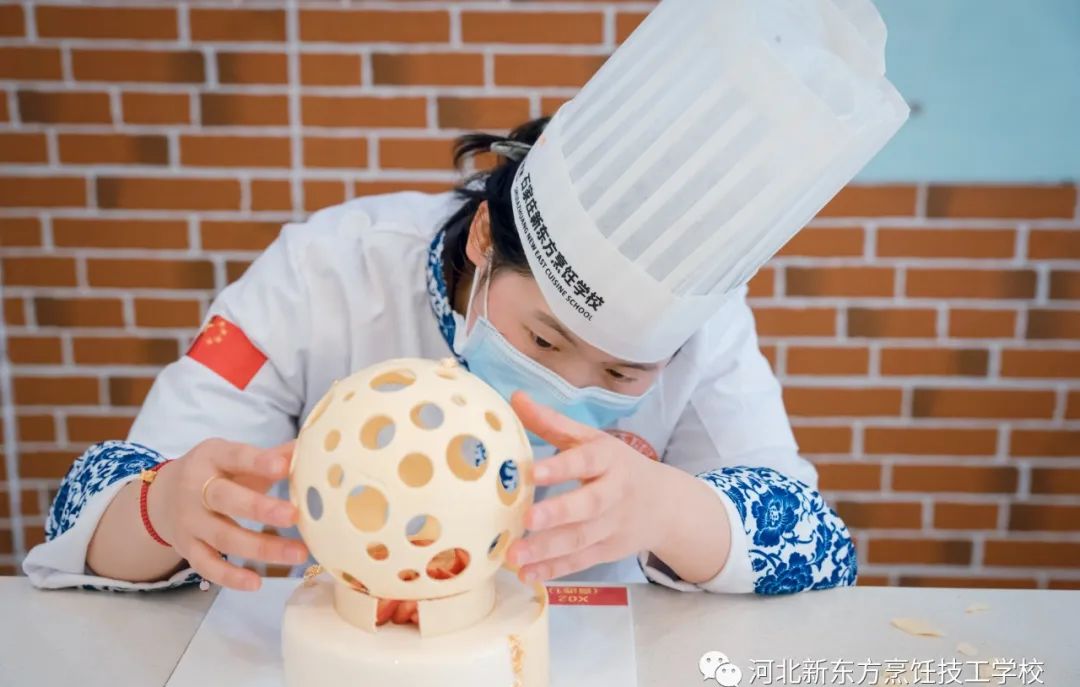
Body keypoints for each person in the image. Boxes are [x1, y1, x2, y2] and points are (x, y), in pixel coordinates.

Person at [23, 0, 908, 597]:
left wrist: (670, 509)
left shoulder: (704, 328)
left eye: (622, 373)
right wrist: (164, 509)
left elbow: (817, 546)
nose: (569, 386)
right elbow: (93, 507)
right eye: (546, 341)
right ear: (484, 240)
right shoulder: (329, 272)